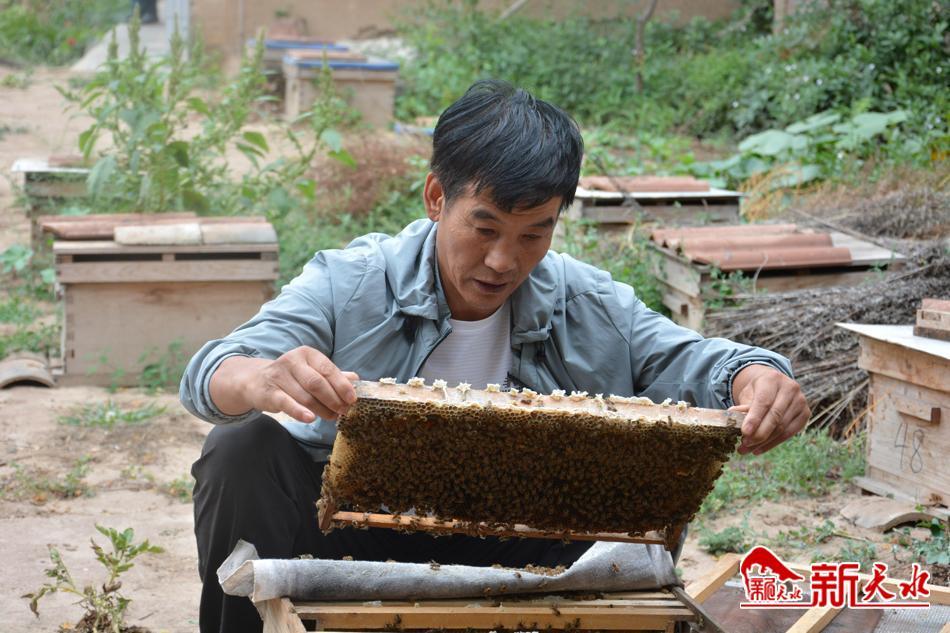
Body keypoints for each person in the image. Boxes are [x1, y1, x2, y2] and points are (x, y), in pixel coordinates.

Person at [180, 79, 810, 632]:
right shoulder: (349, 282)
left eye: (534, 233)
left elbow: (699, 361)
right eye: (484, 229)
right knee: (241, 450)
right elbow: (212, 371)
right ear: (436, 197)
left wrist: (757, 377)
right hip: (349, 535)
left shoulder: (589, 302)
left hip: (520, 543)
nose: (504, 260)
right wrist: (259, 377)